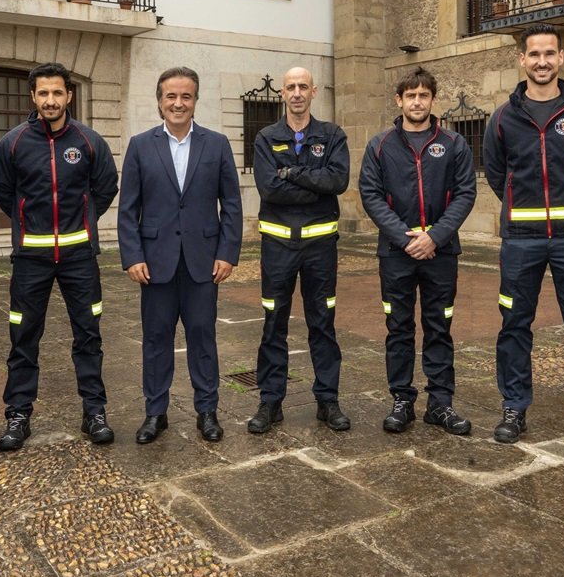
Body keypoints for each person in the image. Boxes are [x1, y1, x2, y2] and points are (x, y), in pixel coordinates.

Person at [482, 23, 564, 452]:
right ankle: (514, 408)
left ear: (561, 58)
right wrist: (521, 209)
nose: (541, 62)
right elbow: (497, 175)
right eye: (533, 54)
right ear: (522, 60)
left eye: (549, 54)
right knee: (515, 326)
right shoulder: (502, 118)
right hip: (521, 240)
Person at [0, 63, 119, 449]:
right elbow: (3, 192)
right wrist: (30, 226)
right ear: (33, 97)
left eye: (57, 93)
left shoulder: (89, 140)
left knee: (88, 335)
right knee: (23, 337)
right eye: (43, 94)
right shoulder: (11, 144)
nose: (50, 100)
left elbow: (106, 187)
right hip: (31, 258)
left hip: (80, 256)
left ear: (69, 95)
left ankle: (94, 411)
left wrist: (82, 221)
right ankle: (18, 415)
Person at [117, 67, 242, 444]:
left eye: (185, 96)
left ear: (195, 101)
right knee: (156, 339)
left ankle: (207, 411)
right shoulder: (140, 145)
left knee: (203, 337)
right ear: (159, 101)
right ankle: (156, 413)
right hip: (155, 263)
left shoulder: (216, 144)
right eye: (171, 96)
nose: (178, 103)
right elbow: (128, 208)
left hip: (204, 261)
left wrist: (228, 252)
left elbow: (232, 204)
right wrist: (132, 256)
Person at [359, 66, 477, 435]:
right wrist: (405, 237)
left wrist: (435, 236)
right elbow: (371, 195)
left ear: (432, 99)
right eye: (410, 95)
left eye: (423, 95)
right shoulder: (379, 146)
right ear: (399, 100)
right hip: (396, 254)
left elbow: (465, 194)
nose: (417, 101)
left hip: (440, 253)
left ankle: (440, 403)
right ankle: (402, 400)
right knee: (398, 328)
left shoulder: (454, 144)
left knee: (439, 326)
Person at [248, 67, 351, 434]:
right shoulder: (266, 137)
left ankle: (328, 400)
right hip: (277, 247)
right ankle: (270, 401)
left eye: (302, 87)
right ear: (281, 93)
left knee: (322, 324)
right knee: (273, 324)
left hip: (320, 248)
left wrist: (290, 173)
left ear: (313, 92)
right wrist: (312, 181)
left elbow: (338, 181)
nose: (296, 93)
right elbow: (269, 190)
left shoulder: (332, 135)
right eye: (290, 87)